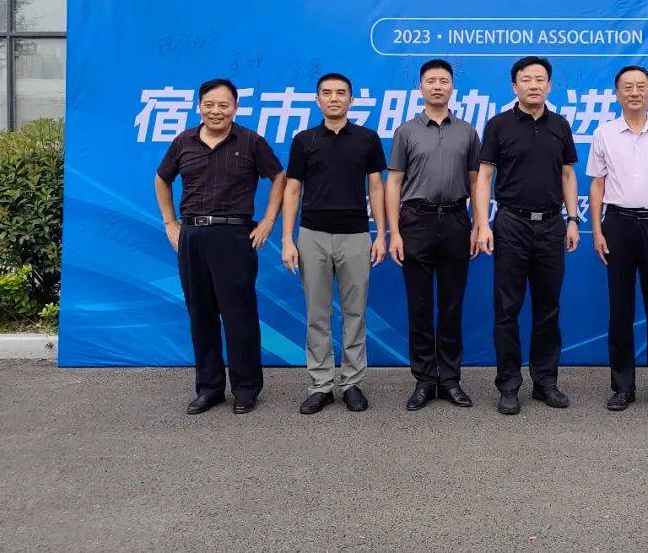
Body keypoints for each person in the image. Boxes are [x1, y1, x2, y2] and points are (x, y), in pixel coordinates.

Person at [154, 78, 285, 415]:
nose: (216, 111)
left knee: (240, 315)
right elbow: (162, 178)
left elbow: (279, 177)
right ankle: (209, 388)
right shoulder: (183, 142)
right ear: (199, 106)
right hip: (193, 236)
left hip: (234, 236)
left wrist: (268, 221)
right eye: (209, 104)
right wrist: (170, 223)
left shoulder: (251, 142)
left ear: (235, 108)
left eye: (224, 105)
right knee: (201, 314)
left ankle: (246, 388)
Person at [474, 56, 580, 415]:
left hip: (551, 225)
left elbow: (567, 175)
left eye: (540, 79)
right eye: (526, 79)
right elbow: (484, 177)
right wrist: (483, 224)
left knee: (548, 307)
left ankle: (545, 381)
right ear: (514, 86)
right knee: (507, 309)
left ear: (549, 85)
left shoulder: (560, 125)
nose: (534, 85)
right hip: (511, 224)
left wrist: (573, 219)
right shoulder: (499, 125)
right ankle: (508, 385)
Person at [281, 73, 387, 415]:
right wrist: (287, 239)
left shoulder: (367, 139)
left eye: (341, 93)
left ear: (351, 100)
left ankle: (352, 382)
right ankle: (321, 384)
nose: (334, 98)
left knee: (355, 313)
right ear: (317, 100)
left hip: (355, 235)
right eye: (326, 93)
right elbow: (292, 190)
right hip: (312, 235)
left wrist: (381, 234)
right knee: (317, 313)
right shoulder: (304, 140)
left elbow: (376, 188)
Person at [587, 65, 648, 413]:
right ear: (617, 94)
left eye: (641, 86)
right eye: (627, 87)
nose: (634, 92)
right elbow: (597, 184)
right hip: (618, 224)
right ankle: (623, 386)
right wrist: (597, 230)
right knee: (621, 309)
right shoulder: (605, 133)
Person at [386, 59, 481, 411]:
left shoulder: (467, 132)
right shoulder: (406, 131)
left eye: (443, 80)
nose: (437, 86)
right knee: (420, 304)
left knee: (452, 304)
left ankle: (451, 379)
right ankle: (425, 379)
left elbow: (476, 181)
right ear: (421, 87)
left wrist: (479, 223)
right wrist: (394, 232)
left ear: (452, 87)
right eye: (431, 81)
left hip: (456, 220)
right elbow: (394, 182)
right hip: (416, 221)